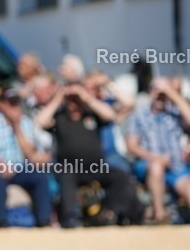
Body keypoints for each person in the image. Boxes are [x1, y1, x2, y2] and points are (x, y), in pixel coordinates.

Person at [34, 83, 137, 227]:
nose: (73, 103)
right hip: (70, 168)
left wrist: (87, 98)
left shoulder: (91, 114)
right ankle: (70, 216)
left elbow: (111, 115)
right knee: (66, 176)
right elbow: (40, 121)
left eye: (76, 99)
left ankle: (112, 213)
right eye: (71, 99)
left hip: (96, 167)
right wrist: (58, 98)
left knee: (120, 175)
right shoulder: (60, 117)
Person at [0, 88, 53, 227]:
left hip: (19, 167)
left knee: (39, 176)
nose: (14, 106)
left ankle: (44, 220)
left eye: (16, 103)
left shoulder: (25, 122)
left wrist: (17, 126)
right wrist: (0, 165)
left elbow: (29, 152)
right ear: (2, 104)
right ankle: (0, 221)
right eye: (10, 103)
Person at [125, 78, 190, 223]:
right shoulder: (139, 116)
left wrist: (171, 93)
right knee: (156, 168)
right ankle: (160, 215)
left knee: (188, 188)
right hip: (148, 164)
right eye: (156, 91)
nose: (160, 96)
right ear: (150, 92)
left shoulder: (176, 113)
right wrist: (155, 158)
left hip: (176, 167)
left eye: (163, 93)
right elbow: (131, 146)